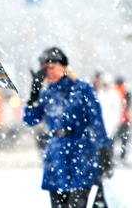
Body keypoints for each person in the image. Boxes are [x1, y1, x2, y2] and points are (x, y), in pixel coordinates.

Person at [23, 47, 113, 208]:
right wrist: (33, 96)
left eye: (51, 67)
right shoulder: (47, 94)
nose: (48, 72)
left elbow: (96, 121)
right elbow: (30, 120)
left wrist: (104, 149)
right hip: (56, 155)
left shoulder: (81, 89)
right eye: (44, 69)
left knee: (77, 203)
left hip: (80, 152)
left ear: (63, 66)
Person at [114, 77, 131, 162]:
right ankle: (122, 157)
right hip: (125, 120)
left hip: (115, 121)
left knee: (113, 140)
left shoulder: (114, 91)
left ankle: (111, 157)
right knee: (124, 141)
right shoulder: (126, 92)